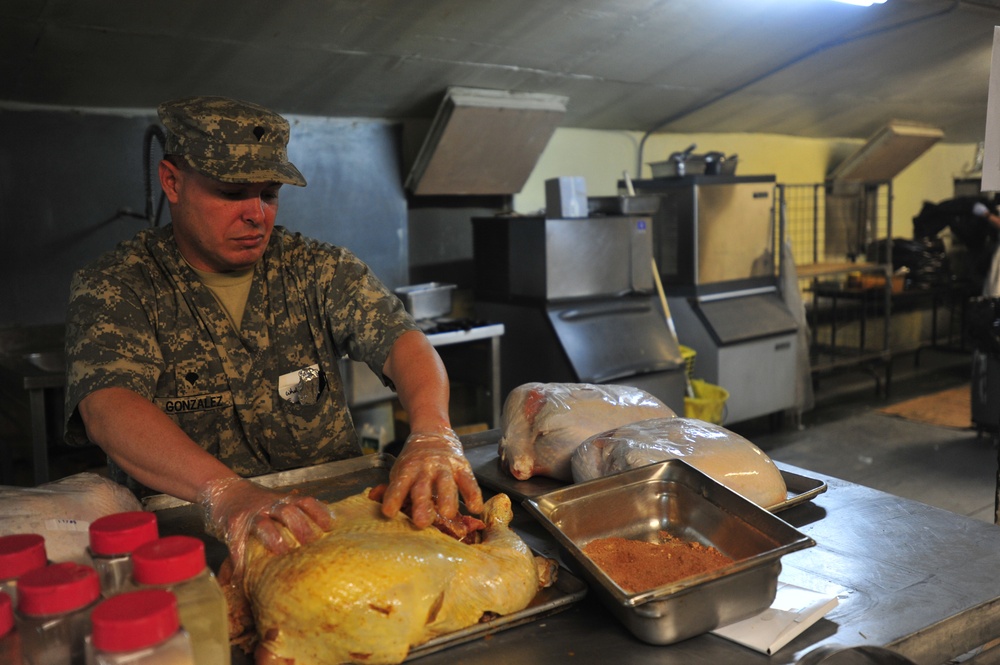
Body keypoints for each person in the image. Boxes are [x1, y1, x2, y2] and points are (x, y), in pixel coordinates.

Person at [63, 96, 483, 571]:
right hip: (189, 546)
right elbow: (108, 408)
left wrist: (431, 430)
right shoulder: (119, 284)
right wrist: (225, 492)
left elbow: (403, 342)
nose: (256, 214)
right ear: (172, 182)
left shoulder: (316, 269)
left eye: (268, 194)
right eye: (230, 193)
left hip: (335, 528)